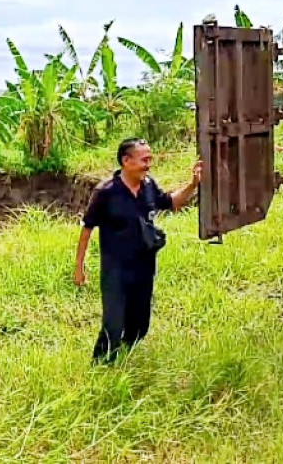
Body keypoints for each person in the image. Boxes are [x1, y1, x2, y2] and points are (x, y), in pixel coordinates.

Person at [74, 138, 202, 364]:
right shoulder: (106, 192)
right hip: (115, 270)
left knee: (139, 324)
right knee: (113, 323)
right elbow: (87, 229)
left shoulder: (149, 186)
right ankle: (101, 366)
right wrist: (79, 268)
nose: (148, 164)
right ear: (126, 161)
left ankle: (124, 357)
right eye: (144, 159)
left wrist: (193, 184)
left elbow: (172, 202)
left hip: (144, 266)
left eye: (150, 159)